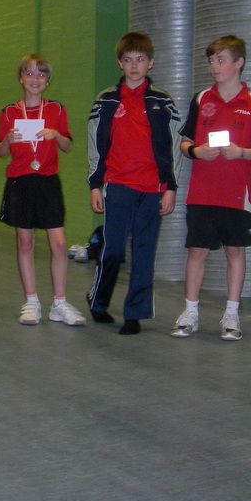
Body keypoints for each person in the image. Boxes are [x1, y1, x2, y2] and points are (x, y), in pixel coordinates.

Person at [172, 35, 251, 342]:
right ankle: (190, 312)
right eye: (211, 61)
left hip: (237, 194)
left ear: (239, 63)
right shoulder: (202, 99)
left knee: (235, 251)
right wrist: (196, 151)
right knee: (197, 251)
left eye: (221, 60)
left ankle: (231, 314)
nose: (214, 66)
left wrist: (241, 152)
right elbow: (184, 142)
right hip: (202, 192)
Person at [86, 33, 181, 334]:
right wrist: (95, 184)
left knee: (144, 252)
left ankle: (134, 313)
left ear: (150, 62)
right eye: (128, 60)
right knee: (113, 249)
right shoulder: (105, 100)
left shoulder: (163, 101)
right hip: (117, 185)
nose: (134, 66)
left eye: (140, 60)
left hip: (153, 189)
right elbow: (94, 144)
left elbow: (174, 146)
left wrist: (170, 187)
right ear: (120, 63)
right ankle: (98, 301)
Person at [0, 54, 84, 326]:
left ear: (47, 81)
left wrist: (56, 135)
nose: (35, 79)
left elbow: (68, 146)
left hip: (48, 182)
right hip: (20, 182)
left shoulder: (56, 109)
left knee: (58, 244)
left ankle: (59, 302)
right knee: (25, 242)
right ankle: (32, 301)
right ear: (21, 78)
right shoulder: (9, 112)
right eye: (29, 73)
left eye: (41, 74)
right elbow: (1, 152)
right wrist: (8, 140)